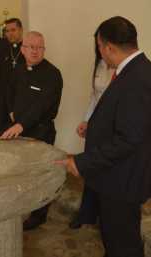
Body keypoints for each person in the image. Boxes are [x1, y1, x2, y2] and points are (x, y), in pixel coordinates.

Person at [56, 16, 151, 257]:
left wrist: (80, 162)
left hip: (122, 180)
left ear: (108, 47)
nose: (100, 52)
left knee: (123, 243)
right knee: (115, 237)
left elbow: (130, 138)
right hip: (118, 175)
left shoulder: (136, 78)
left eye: (99, 46)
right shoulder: (134, 70)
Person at [1, 31, 63, 230]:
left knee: (40, 177)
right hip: (19, 131)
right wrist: (11, 111)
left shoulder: (53, 74)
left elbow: (42, 106)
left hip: (41, 133)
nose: (35, 51)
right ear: (23, 49)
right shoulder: (17, 69)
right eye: (31, 47)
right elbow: (9, 91)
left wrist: (19, 125)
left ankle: (39, 215)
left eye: (40, 47)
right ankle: (22, 204)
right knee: (20, 172)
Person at [69, 35, 115, 229]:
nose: (100, 49)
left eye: (102, 44)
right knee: (92, 171)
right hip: (96, 126)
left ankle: (107, 218)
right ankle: (87, 213)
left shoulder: (126, 71)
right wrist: (86, 121)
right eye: (98, 45)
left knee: (109, 175)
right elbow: (95, 97)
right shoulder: (100, 65)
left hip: (114, 130)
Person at [0, 18, 25, 133]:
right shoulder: (2, 49)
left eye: (13, 30)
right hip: (5, 101)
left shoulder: (28, 49)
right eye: (7, 31)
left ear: (21, 30)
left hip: (22, 99)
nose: (10, 33)